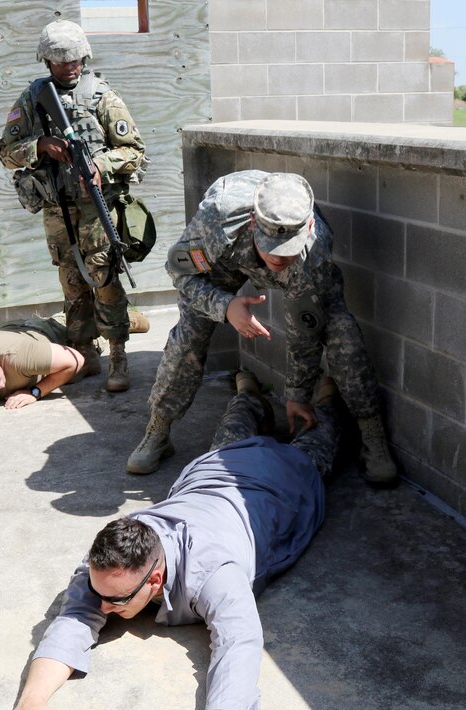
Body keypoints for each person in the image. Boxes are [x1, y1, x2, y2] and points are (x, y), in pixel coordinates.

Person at [0, 372, 341, 710]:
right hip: (217, 467)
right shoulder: (111, 560)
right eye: (100, 593)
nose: (102, 607)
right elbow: (74, 617)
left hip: (280, 481)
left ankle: (325, 401)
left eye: (116, 600)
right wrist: (32, 698)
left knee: (318, 441)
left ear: (155, 579)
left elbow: (239, 641)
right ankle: (250, 397)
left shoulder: (213, 570)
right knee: (231, 434)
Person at [126, 170, 397, 487]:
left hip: (304, 274)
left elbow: (304, 329)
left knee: (342, 333)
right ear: (255, 223)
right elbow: (179, 273)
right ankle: (158, 430)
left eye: (288, 247)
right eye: (271, 245)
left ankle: (372, 435)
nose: (278, 256)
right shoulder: (218, 218)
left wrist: (296, 395)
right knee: (190, 333)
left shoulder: (315, 248)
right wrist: (225, 306)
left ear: (308, 228)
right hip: (227, 258)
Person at [0, 20, 147, 393]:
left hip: (97, 206)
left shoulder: (101, 95)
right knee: (71, 280)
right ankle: (83, 351)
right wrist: (41, 145)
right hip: (57, 207)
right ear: (47, 61)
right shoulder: (33, 99)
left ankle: (118, 354)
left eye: (77, 59)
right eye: (63, 61)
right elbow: (6, 153)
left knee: (104, 276)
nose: (72, 66)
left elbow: (134, 150)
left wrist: (100, 166)